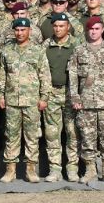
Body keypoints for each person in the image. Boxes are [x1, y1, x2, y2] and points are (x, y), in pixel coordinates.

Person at [68, 16, 104, 183]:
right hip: (85, 103)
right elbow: (72, 77)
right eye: (91, 29)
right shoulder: (79, 50)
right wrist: (75, 98)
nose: (94, 32)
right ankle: (90, 170)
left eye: (97, 29)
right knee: (87, 138)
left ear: (102, 30)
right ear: (87, 30)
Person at [0, 18, 51, 183]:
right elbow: (2, 75)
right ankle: (10, 170)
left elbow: (44, 75)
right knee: (11, 135)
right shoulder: (6, 51)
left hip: (31, 101)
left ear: (29, 31)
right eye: (17, 30)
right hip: (12, 100)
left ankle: (30, 169)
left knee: (32, 136)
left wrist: (44, 97)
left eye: (23, 30)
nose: (20, 33)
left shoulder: (38, 51)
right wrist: (0, 95)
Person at [41, 13, 81, 182]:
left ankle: (72, 169)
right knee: (52, 134)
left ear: (68, 27)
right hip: (51, 94)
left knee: (72, 132)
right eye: (55, 26)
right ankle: (55, 169)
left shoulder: (77, 45)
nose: (58, 29)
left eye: (61, 26)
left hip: (70, 94)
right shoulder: (46, 45)